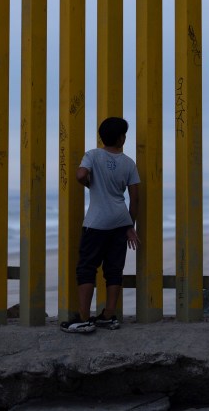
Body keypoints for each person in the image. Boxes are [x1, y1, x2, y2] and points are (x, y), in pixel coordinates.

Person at [60, 117, 140, 334]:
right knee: (114, 269)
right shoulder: (129, 163)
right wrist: (130, 226)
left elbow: (80, 175)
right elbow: (134, 198)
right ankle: (108, 315)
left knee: (87, 267)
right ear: (121, 137)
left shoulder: (93, 155)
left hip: (97, 222)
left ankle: (84, 319)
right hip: (120, 220)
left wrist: (88, 183)